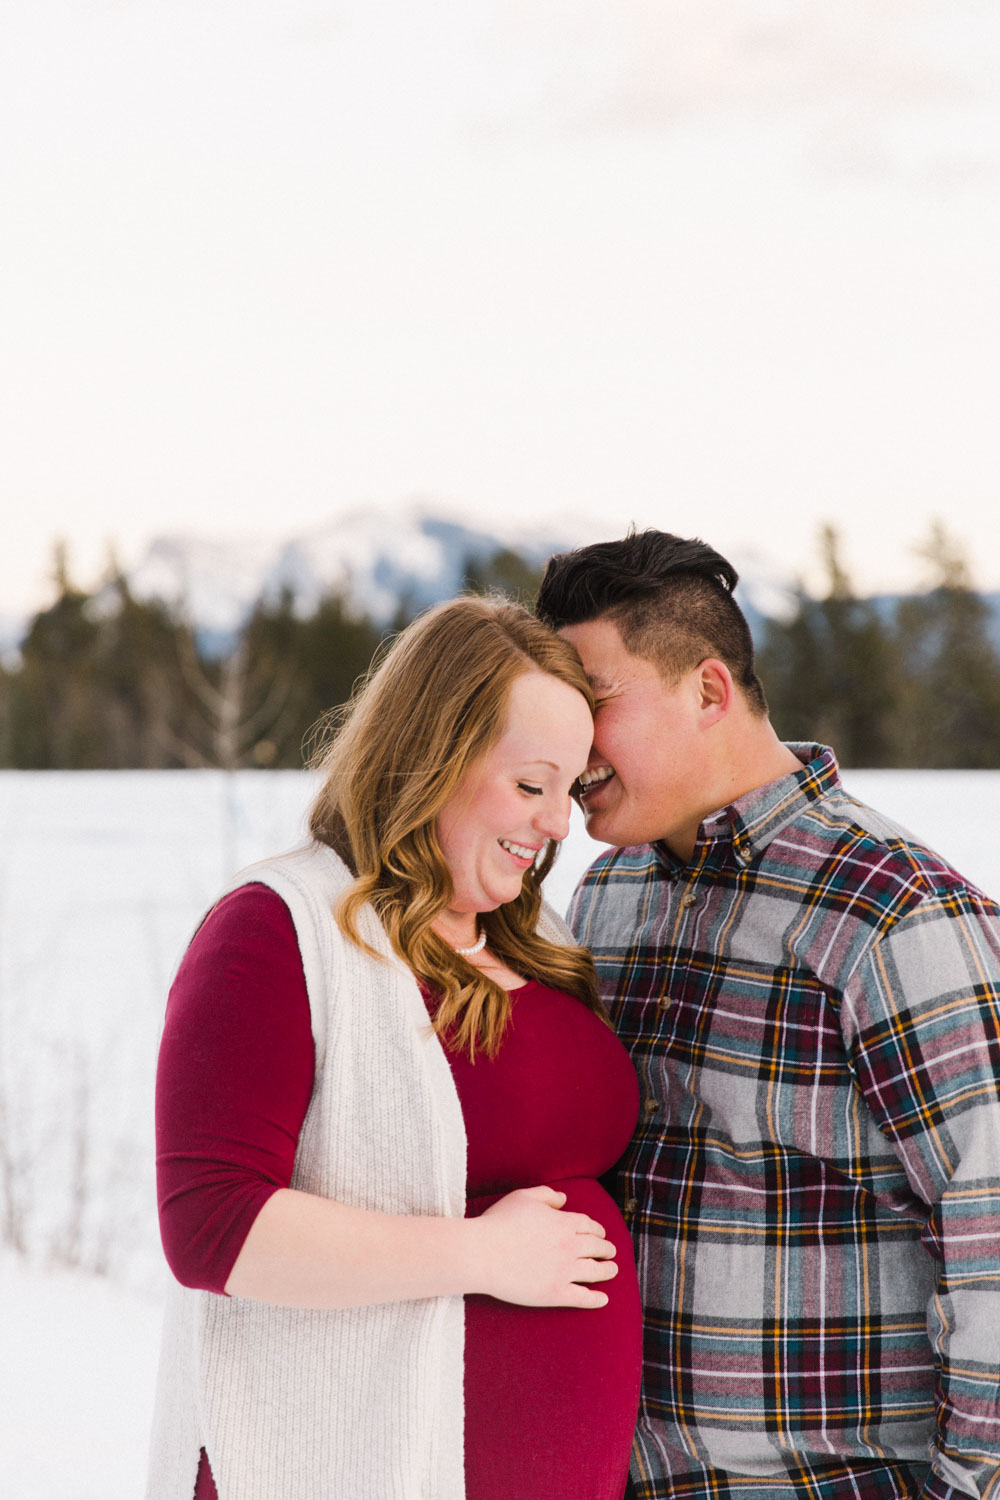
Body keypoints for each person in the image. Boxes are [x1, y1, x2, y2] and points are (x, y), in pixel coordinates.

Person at [535, 529, 1000, 1500]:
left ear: (708, 691)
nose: (564, 742)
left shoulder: (893, 914)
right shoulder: (607, 897)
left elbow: (990, 1229)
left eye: (594, 701)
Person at [146, 594, 641, 1500]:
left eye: (571, 790)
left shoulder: (544, 941)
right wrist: (481, 1257)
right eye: (531, 785)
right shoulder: (275, 930)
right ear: (429, 759)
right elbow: (212, 1226)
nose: (558, 824)